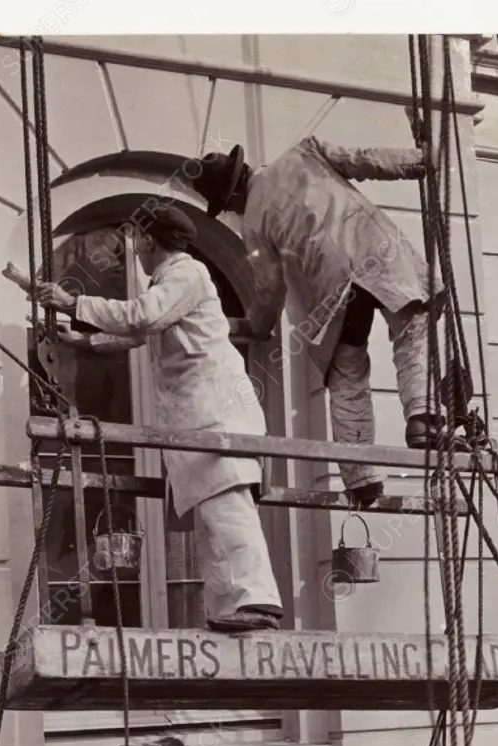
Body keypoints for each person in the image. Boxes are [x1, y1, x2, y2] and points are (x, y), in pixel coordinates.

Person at [34, 204, 284, 633]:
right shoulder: (177, 282)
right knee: (212, 518)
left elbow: (142, 316)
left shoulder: (188, 275)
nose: (136, 256)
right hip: (199, 419)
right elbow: (139, 332)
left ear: (148, 241)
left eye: (137, 245)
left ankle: (257, 600)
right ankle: (229, 610)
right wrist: (88, 342)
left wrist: (73, 302)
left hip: (215, 416)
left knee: (227, 509)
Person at [189, 138, 473, 508]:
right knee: (412, 330)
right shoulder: (304, 153)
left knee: (347, 371)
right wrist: (422, 161)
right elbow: (368, 158)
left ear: (231, 197)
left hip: (332, 285)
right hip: (379, 254)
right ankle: (421, 416)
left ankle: (361, 475)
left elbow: (269, 290)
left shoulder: (254, 223)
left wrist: (256, 328)